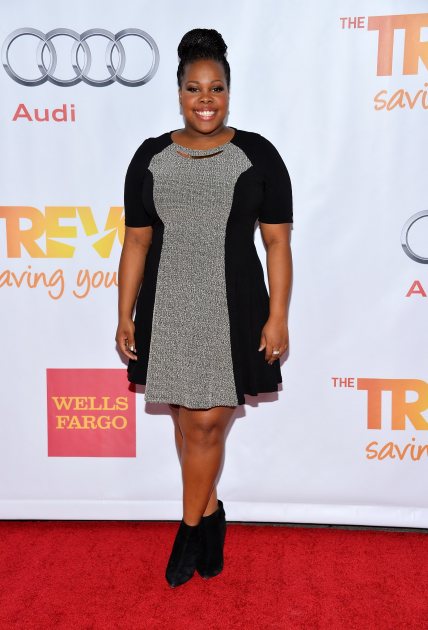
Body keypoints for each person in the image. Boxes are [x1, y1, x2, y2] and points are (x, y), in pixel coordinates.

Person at [115, 28, 293, 588]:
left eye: (215, 88)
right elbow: (137, 242)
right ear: (179, 93)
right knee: (188, 423)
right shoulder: (151, 156)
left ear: (229, 91)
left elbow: (278, 244)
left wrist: (278, 315)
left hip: (234, 305)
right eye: (194, 88)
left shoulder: (258, 154)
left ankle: (189, 529)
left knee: (209, 422)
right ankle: (212, 516)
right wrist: (124, 313)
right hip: (168, 306)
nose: (205, 99)